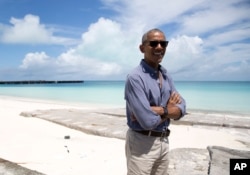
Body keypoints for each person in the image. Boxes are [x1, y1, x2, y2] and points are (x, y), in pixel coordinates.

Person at [124, 28, 186, 175]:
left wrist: (161, 110)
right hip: (142, 143)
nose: (159, 47)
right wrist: (168, 110)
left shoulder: (165, 74)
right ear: (142, 48)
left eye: (163, 44)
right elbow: (147, 122)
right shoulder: (135, 78)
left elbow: (182, 107)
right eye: (153, 43)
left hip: (163, 141)